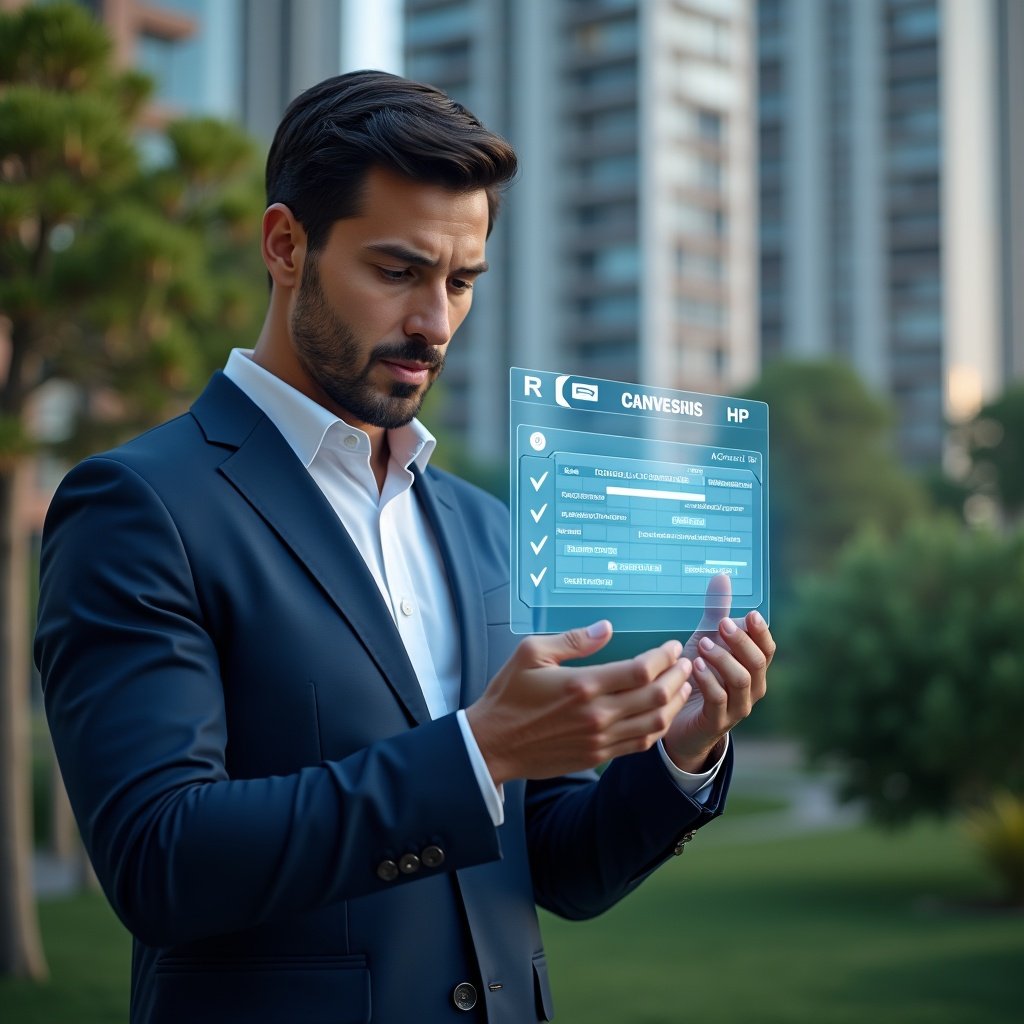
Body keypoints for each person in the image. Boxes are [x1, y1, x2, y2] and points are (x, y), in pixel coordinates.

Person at [35, 71, 774, 1024]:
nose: (434, 323)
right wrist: (476, 751)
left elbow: (558, 863)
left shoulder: (484, 525)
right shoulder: (138, 506)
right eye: (397, 272)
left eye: (460, 283)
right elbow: (159, 859)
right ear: (285, 245)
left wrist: (684, 747)